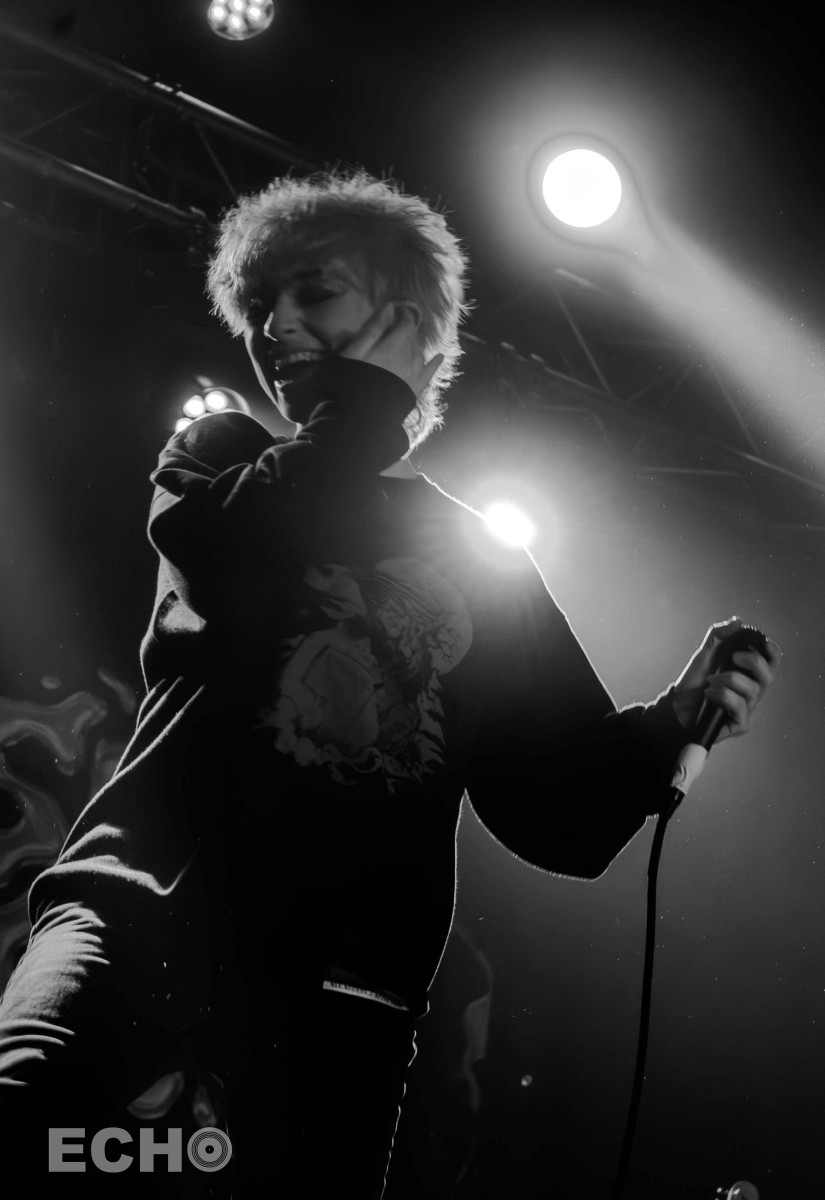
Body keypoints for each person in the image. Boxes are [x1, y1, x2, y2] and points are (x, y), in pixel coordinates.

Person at [0, 169, 779, 1196]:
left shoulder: (483, 561)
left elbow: (557, 817)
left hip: (341, 1008)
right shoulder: (220, 456)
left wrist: (663, 728)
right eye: (260, 306)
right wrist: (367, 399)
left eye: (313, 292)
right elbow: (241, 550)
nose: (275, 324)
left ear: (411, 320)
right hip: (144, 921)